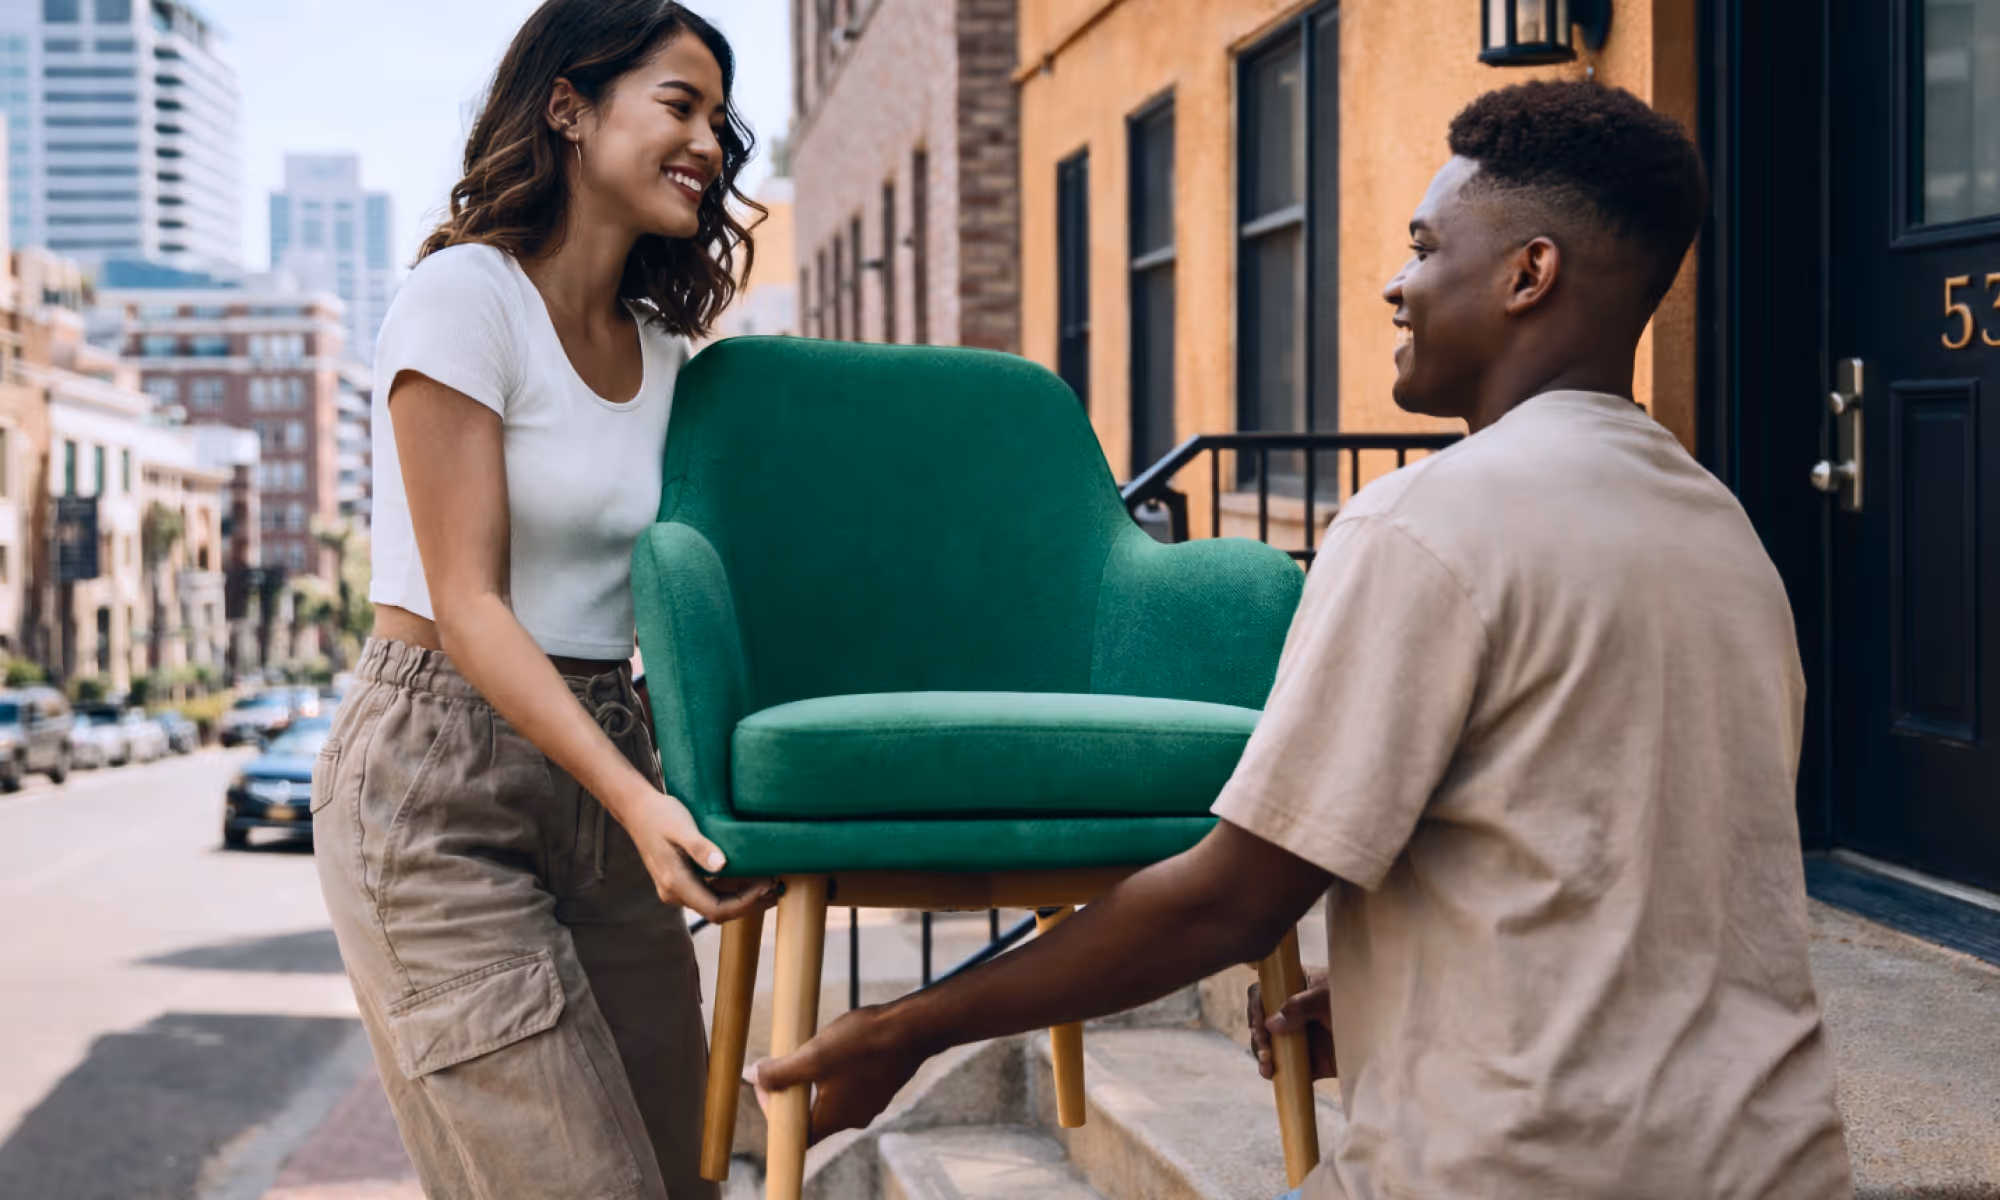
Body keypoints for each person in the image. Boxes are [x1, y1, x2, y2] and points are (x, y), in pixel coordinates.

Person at [757, 80, 1854, 1199]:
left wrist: (909, 1028)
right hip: (1772, 1161)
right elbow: (1629, 865)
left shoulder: (1423, 518)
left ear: (1528, 275)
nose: (1396, 282)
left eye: (1424, 249)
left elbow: (1230, 898)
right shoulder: (1724, 534)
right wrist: (1404, 1000)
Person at [310, 3, 779, 1197]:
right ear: (568, 106)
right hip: (437, 783)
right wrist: (635, 799)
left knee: (679, 1177)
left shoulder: (671, 361)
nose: (709, 145)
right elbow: (467, 603)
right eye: (679, 105)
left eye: (720, 122)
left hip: (604, 752)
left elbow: (692, 601)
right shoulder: (465, 297)